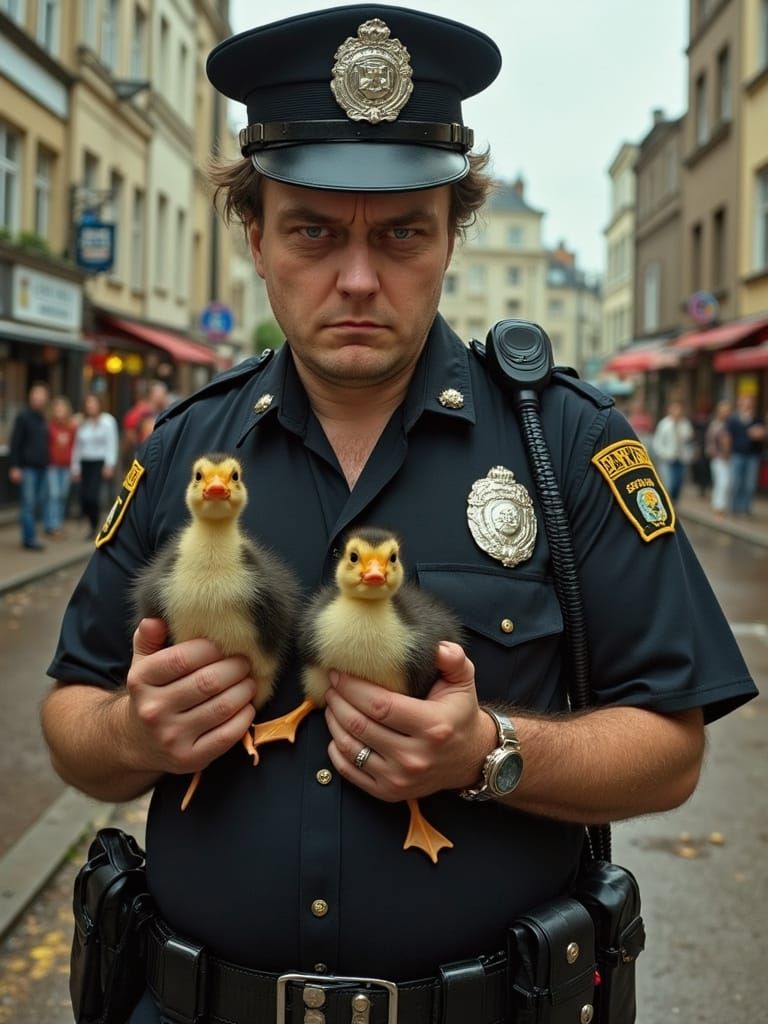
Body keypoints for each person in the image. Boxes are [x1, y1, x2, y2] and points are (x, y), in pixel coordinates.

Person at [42, 8, 757, 1024]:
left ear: (452, 233)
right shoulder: (180, 451)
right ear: (254, 234)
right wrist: (131, 726)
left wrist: (493, 752)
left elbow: (674, 748)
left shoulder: (571, 446)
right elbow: (71, 720)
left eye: (403, 232)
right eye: (314, 231)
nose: (360, 277)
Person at [70, 393, 119, 539]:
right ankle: (89, 520)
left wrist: (110, 464)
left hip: (99, 463)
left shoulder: (108, 421)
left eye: (93, 402)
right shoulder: (82, 422)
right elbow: (77, 446)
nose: (90, 406)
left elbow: (112, 443)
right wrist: (75, 467)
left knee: (93, 496)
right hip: (85, 462)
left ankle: (94, 525)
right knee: (84, 496)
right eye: (88, 403)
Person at [8, 380, 50, 550]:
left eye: (42, 395)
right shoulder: (23, 416)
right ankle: (29, 539)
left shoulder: (44, 418)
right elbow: (15, 442)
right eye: (36, 394)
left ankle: (31, 535)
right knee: (28, 504)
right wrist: (14, 466)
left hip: (42, 467)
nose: (39, 398)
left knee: (38, 503)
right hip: (27, 468)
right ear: (30, 396)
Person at [725, 393, 766, 516]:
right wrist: (727, 452)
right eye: (744, 401)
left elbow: (763, 434)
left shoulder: (757, 419)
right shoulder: (733, 419)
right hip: (737, 454)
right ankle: (734, 507)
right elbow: (727, 436)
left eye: (749, 402)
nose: (747, 404)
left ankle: (745, 508)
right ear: (739, 403)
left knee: (749, 483)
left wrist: (760, 434)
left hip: (752, 455)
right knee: (736, 482)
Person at [44, 395, 77, 538]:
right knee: (54, 495)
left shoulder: (71, 427)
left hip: (66, 466)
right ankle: (52, 526)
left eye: (62, 408)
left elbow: (75, 446)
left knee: (62, 496)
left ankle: (58, 523)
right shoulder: (49, 426)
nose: (59, 411)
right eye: (57, 408)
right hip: (52, 465)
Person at [652, 399, 694, 501]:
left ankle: (674, 501)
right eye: (674, 409)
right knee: (669, 483)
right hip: (668, 458)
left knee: (678, 483)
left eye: (679, 409)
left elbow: (689, 440)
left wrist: (689, 454)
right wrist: (662, 454)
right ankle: (669, 503)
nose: (677, 412)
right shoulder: (664, 424)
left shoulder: (685, 424)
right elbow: (657, 441)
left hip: (681, 458)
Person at [705, 399, 732, 517]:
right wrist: (713, 453)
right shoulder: (715, 425)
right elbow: (710, 441)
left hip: (730, 458)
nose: (725, 413)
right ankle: (718, 506)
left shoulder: (730, 425)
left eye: (727, 411)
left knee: (727, 482)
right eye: (723, 411)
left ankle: (721, 504)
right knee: (722, 482)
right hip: (718, 457)